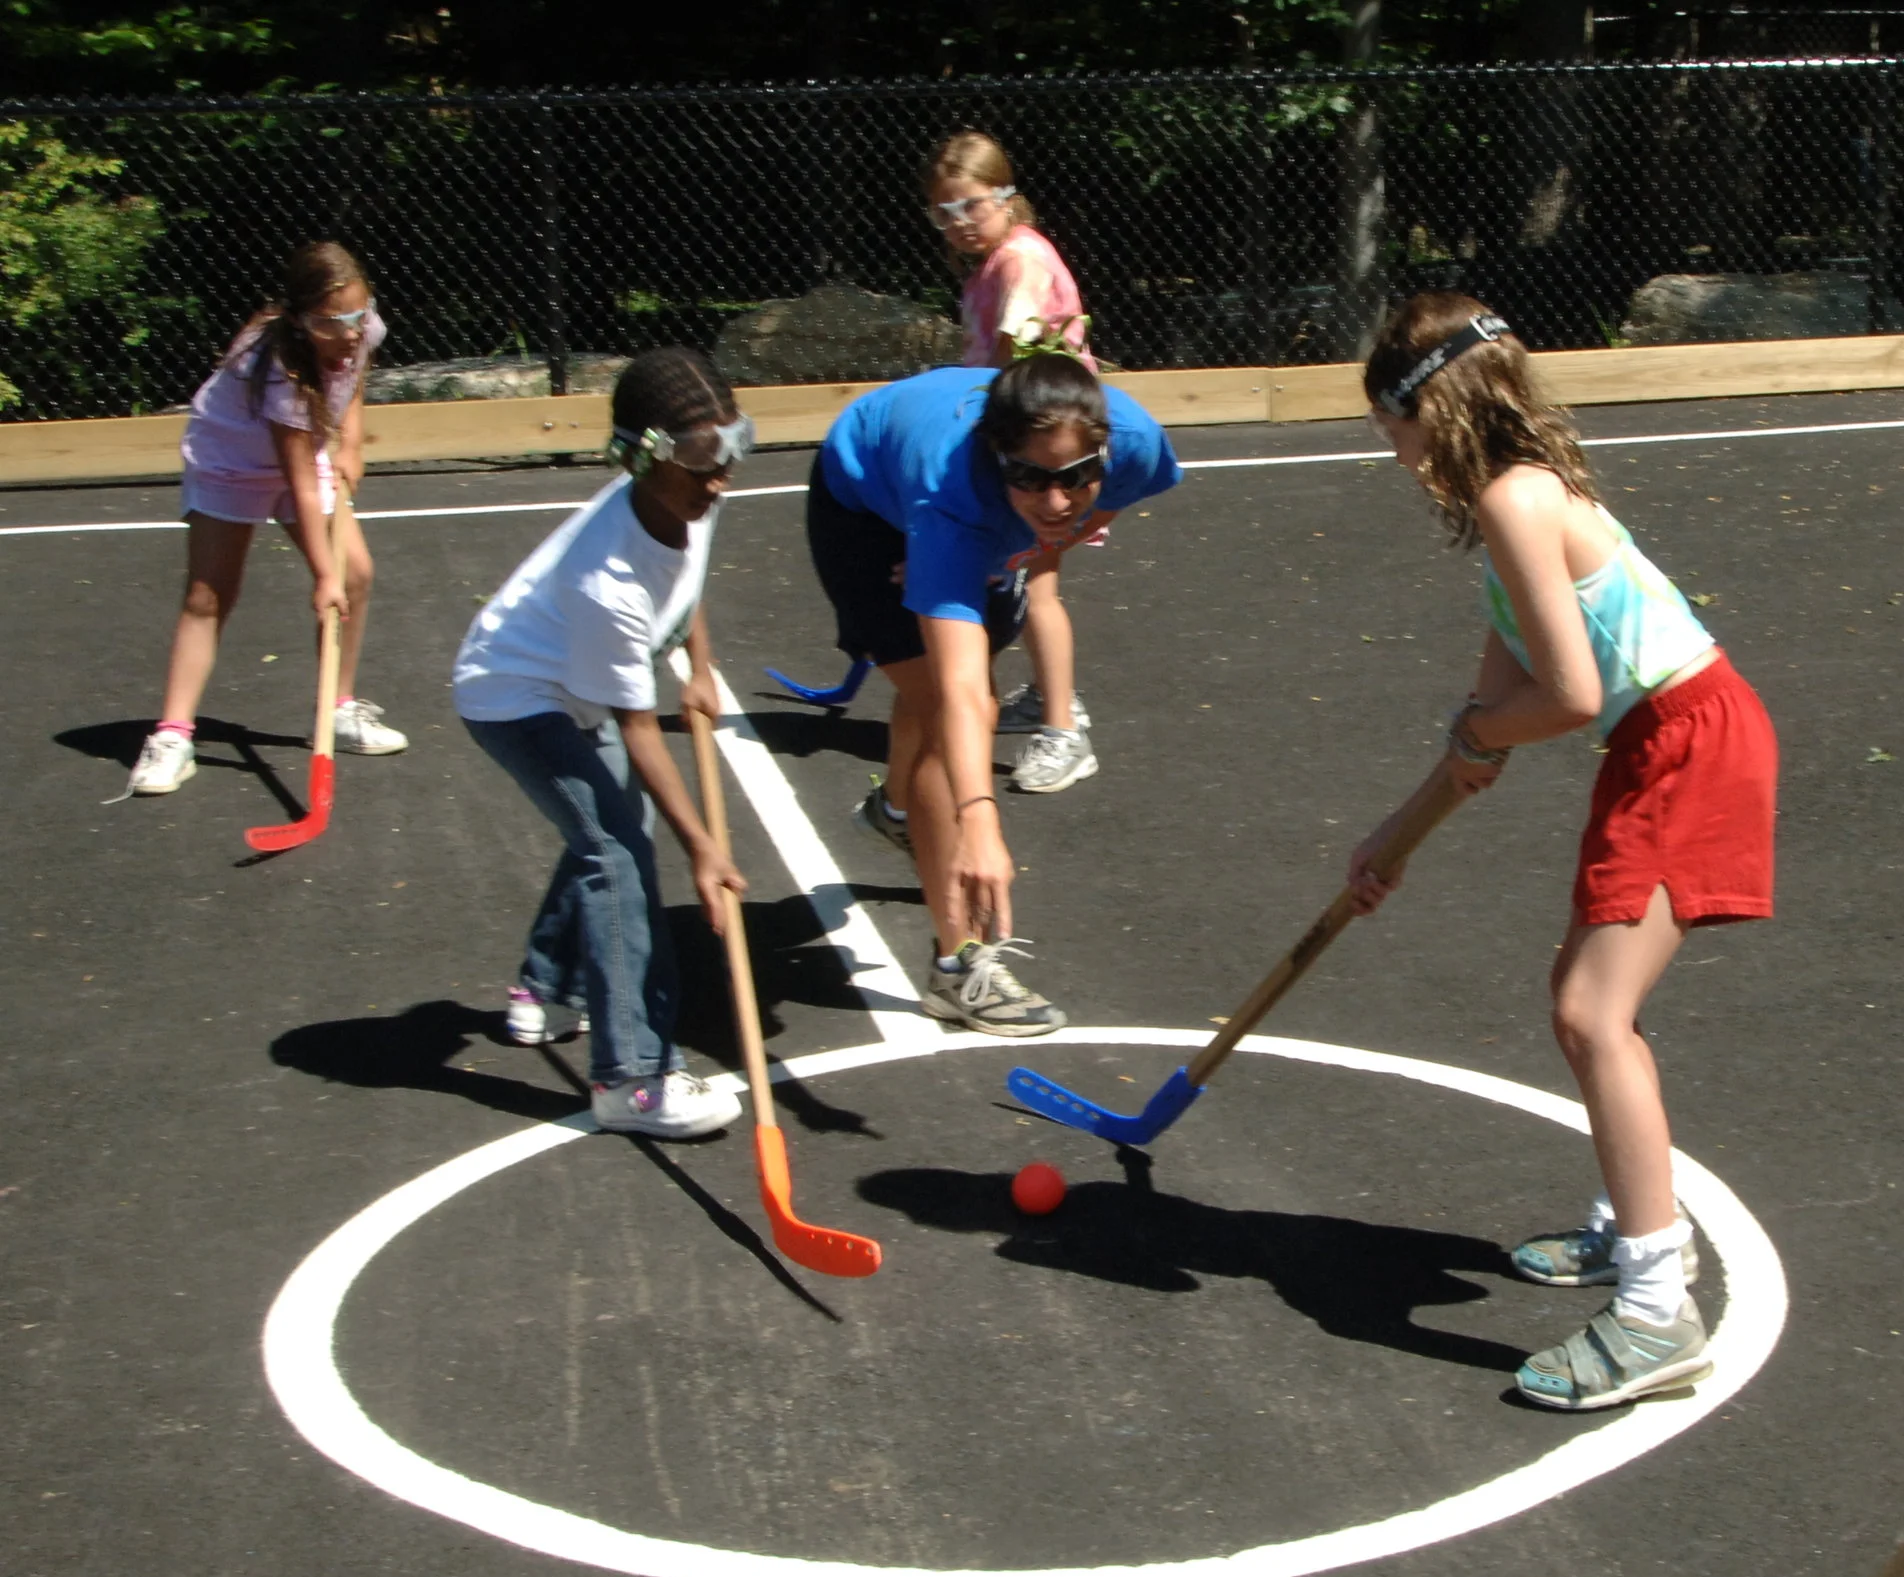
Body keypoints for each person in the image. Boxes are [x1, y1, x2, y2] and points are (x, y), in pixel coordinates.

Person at [1345, 293, 1779, 1410]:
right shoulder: (1522, 506)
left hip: (1688, 740)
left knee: (1591, 1012)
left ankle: (1652, 1312)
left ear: (1423, 409)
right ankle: (1646, 1226)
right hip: (1671, 740)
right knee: (1586, 1001)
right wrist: (1392, 843)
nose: (1388, 453)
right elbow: (1483, 731)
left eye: (1387, 428)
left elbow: (1563, 698)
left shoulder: (1511, 499)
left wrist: (1484, 729)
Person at [810, 352, 1180, 1035]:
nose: (1058, 499)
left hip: (975, 519)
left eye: (1076, 478)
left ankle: (898, 810)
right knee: (950, 697)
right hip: (863, 504)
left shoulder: (1131, 443)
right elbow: (960, 693)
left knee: (938, 703)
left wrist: (1045, 540)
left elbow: (1116, 496)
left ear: (1102, 449)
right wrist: (980, 822)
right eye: (1030, 478)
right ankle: (956, 967)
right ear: (996, 455)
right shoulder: (950, 497)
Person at [450, 347, 755, 1139]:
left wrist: (699, 662)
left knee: (613, 831)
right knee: (617, 848)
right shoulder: (606, 578)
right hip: (515, 695)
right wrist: (704, 850)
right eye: (701, 462)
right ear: (643, 456)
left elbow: (688, 581)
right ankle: (632, 1078)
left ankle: (546, 990)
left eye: (733, 450)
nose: (720, 478)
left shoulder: (690, 496)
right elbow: (639, 737)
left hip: (575, 678)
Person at [127, 240, 404, 797]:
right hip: (230, 460)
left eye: (358, 313)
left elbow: (352, 385)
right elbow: (298, 483)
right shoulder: (277, 367)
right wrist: (321, 578)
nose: (350, 332)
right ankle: (174, 736)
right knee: (209, 595)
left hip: (303, 451)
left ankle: (338, 710)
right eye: (332, 322)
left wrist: (351, 444)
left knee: (356, 573)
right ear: (300, 320)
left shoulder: (360, 328)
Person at [925, 129, 1099, 794]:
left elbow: (1012, 355)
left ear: (1005, 196)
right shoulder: (994, 262)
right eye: (943, 212)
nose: (958, 223)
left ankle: (1064, 729)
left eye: (970, 205)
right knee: (1026, 580)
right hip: (1025, 443)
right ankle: (1049, 700)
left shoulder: (1021, 261)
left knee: (1038, 585)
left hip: (1049, 452)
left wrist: (977, 435)